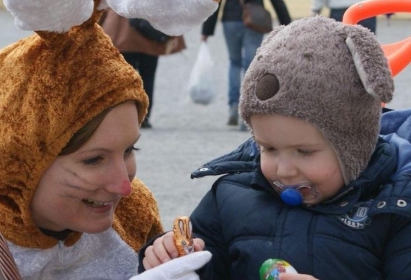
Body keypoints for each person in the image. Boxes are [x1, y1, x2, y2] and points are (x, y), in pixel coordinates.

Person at [0, 0, 220, 278]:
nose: (124, 186)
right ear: (17, 156)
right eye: (93, 159)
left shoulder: (131, 212)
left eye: (129, 150)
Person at [140, 16, 411, 279]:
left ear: (354, 146)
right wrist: (170, 261)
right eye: (268, 148)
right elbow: (203, 265)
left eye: (304, 152)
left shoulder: (393, 210)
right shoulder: (231, 198)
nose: (284, 170)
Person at [201, 0, 291, 130]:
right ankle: (247, 111)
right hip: (254, 21)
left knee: (234, 63)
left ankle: (233, 107)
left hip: (230, 20)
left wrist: (207, 30)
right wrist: (287, 23)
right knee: (251, 66)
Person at [101, 10, 186, 129]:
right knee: (148, 78)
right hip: (150, 37)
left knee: (124, 82)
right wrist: (173, 34)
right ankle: (144, 118)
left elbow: (101, 6)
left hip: (122, 36)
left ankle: (123, 117)